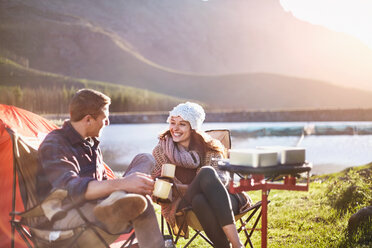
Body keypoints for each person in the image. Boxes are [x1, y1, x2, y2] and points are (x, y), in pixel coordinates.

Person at [37, 88, 165, 248]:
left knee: (145, 158)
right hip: (66, 214)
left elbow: (103, 183)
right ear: (88, 120)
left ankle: (118, 200)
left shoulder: (90, 143)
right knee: (140, 203)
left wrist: (129, 185)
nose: (108, 123)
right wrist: (124, 184)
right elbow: (72, 189)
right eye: (105, 118)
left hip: (99, 205)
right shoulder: (55, 144)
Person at [151, 102, 251, 248]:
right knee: (206, 174)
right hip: (183, 203)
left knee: (200, 197)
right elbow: (159, 190)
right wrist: (186, 187)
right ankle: (238, 245)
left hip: (222, 199)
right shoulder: (161, 151)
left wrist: (181, 186)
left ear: (193, 128)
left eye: (182, 124)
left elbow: (220, 180)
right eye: (173, 123)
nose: (175, 129)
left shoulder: (210, 147)